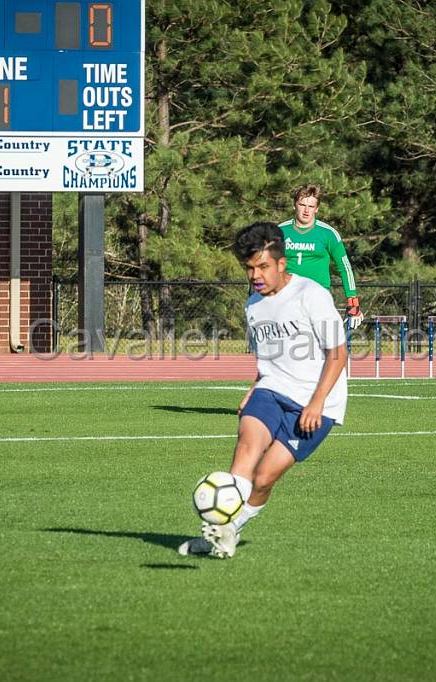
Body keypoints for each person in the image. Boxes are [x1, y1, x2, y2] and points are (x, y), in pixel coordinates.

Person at [179, 222, 348, 559]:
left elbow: (338, 353)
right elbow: (269, 355)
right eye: (249, 268)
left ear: (282, 264)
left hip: (318, 402)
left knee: (265, 478)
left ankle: (230, 531)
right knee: (247, 446)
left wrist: (316, 403)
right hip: (272, 389)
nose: (255, 275)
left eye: (262, 266)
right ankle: (216, 528)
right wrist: (253, 386)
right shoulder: (253, 303)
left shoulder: (311, 295)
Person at [279, 185, 363, 328]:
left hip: (318, 298)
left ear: (316, 208)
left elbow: (345, 267)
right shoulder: (279, 231)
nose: (306, 210)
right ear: (295, 205)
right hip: (288, 297)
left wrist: (353, 301)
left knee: (320, 345)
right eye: (302, 205)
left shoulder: (328, 234)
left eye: (311, 206)